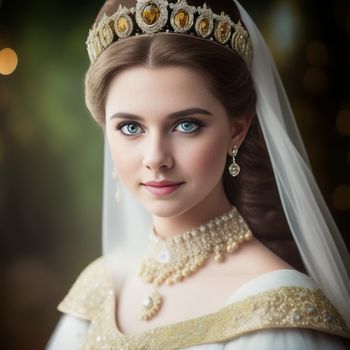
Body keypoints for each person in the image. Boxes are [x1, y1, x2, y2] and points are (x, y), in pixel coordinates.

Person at [46, 0, 350, 349]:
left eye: (186, 125)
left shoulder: (278, 309)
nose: (156, 158)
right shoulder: (99, 287)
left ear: (237, 129)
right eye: (130, 127)